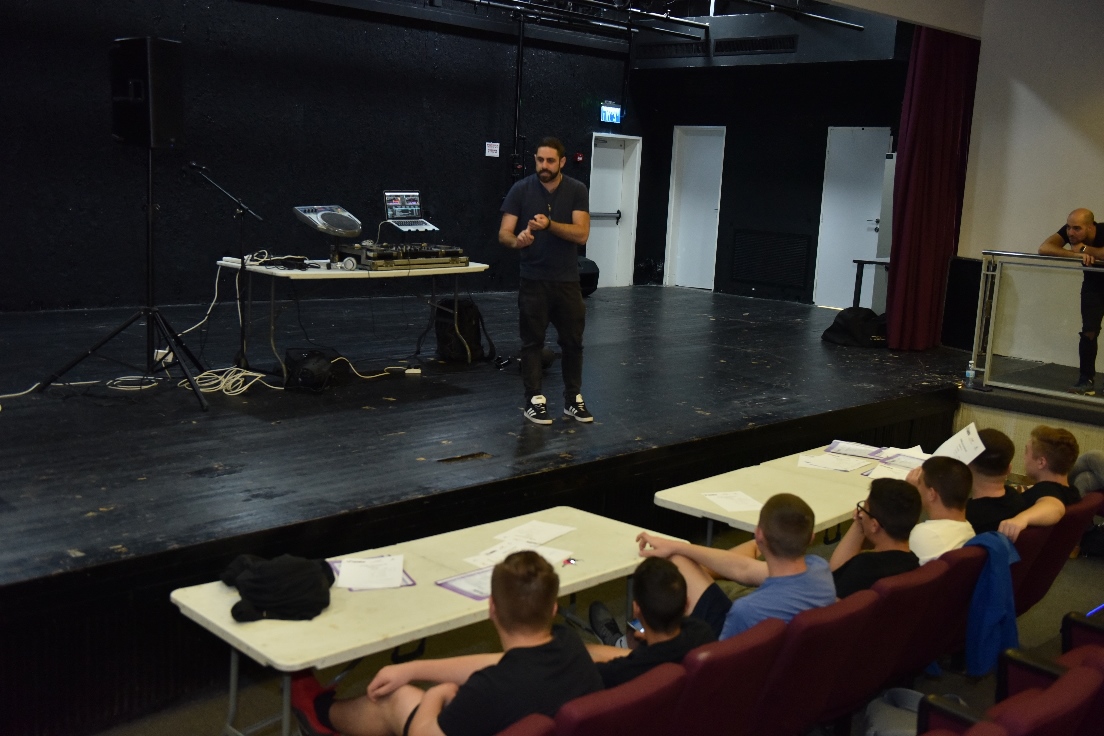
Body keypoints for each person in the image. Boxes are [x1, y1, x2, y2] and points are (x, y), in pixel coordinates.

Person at [291, 551, 602, 736]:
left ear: (492, 608)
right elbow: (500, 664)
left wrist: (435, 694)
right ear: (553, 609)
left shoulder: (485, 691)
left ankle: (320, 713)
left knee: (399, 699)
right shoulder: (569, 643)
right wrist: (415, 668)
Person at [635, 493, 836, 641]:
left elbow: (722, 659)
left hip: (735, 654)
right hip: (780, 656)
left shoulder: (746, 610)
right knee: (680, 557)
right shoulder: (820, 569)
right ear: (811, 538)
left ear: (758, 535)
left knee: (675, 566)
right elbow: (744, 569)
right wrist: (679, 547)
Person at [498, 137, 592, 425]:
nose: (544, 166)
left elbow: (581, 234)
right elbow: (504, 233)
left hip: (567, 281)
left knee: (573, 343)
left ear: (562, 162)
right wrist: (517, 241)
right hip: (533, 280)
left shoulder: (576, 190)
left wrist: (549, 225)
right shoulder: (521, 189)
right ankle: (534, 400)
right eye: (540, 160)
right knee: (532, 343)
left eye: (550, 161)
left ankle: (573, 399)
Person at [585, 557, 716, 688]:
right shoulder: (703, 633)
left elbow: (582, 669)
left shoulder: (620, 673)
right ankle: (621, 642)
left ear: (636, 609)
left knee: (588, 650)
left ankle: (619, 643)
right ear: (686, 604)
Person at [1038, 208, 1104, 395]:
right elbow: (1044, 248)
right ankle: (1086, 380)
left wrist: (1085, 249)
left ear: (1090, 227)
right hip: (1093, 285)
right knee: (1088, 332)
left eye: (1077, 228)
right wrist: (1077, 255)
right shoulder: (1070, 232)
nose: (1070, 233)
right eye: (1068, 227)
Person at [828, 478, 922, 599]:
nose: (861, 514)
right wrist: (860, 522)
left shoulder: (863, 567)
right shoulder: (913, 562)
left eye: (864, 509)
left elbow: (834, 575)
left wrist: (859, 524)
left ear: (874, 525)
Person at [966, 428, 1065, 540]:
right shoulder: (1016, 499)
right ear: (1009, 468)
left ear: (966, 467)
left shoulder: (965, 518)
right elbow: (1057, 506)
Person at [906, 456, 976, 565]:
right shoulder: (969, 530)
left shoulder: (923, 535)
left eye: (919, 482)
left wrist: (909, 494)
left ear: (931, 494)